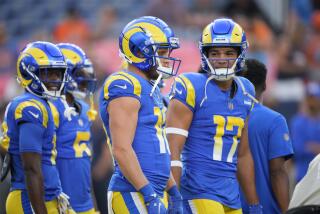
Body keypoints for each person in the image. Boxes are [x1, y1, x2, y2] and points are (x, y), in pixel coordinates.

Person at [166, 18, 262, 214]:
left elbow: (243, 155)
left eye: (228, 52)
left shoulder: (246, 89)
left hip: (230, 192)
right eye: (215, 53)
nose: (221, 59)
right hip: (197, 188)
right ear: (205, 55)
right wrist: (173, 195)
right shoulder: (192, 85)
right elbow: (172, 150)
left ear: (240, 54)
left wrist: (253, 203)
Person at [99, 16, 182, 213]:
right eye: (161, 52)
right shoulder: (125, 84)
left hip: (151, 190)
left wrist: (173, 190)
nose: (166, 58)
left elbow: (156, 151)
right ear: (139, 52)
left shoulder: (151, 89)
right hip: (133, 191)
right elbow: (121, 149)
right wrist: (148, 193)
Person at [0, 41, 70, 213]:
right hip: (30, 200)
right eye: (48, 73)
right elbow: (30, 168)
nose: (55, 80)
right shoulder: (30, 107)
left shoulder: (39, 103)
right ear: (28, 73)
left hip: (46, 197)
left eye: (57, 74)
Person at [238, 58, 294, 213]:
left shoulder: (225, 117)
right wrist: (286, 211)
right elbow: (277, 171)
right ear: (264, 86)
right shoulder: (274, 120)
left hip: (227, 207)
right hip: (265, 208)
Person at [50, 43, 97, 213]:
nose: (85, 80)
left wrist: (93, 204)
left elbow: (85, 162)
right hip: (60, 201)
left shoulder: (84, 108)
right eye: (79, 74)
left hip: (84, 200)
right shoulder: (51, 108)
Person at [290, 82, 320, 183]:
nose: (312, 101)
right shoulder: (297, 122)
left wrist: (310, 146)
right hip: (303, 176)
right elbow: (297, 148)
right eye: (309, 98)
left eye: (314, 98)